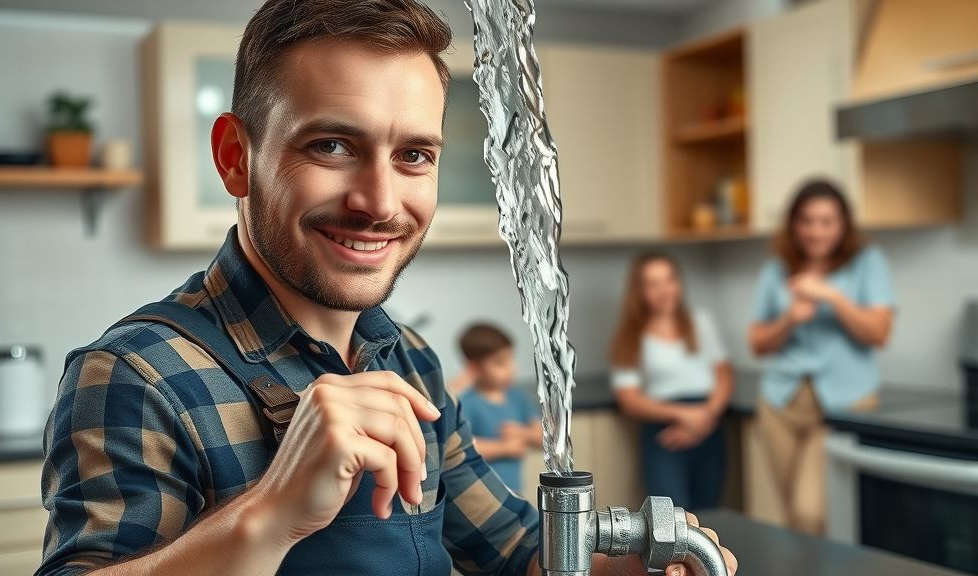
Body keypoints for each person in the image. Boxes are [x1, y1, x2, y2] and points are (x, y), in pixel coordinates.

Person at [36, 1, 737, 575]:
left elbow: (515, 552)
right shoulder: (137, 376)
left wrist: (627, 567)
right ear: (234, 157)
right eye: (332, 146)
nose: (378, 201)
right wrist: (270, 515)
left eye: (413, 155)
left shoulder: (409, 359)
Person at [748, 179, 895, 535]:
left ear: (843, 224)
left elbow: (879, 333)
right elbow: (757, 342)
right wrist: (788, 319)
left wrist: (831, 296)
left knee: (809, 514)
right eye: (807, 220)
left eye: (827, 221)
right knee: (791, 518)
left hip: (843, 406)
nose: (816, 231)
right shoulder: (777, 269)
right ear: (793, 223)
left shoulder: (868, 263)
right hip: (780, 404)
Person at [610, 253, 733, 511]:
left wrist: (702, 420)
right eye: (653, 284)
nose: (664, 290)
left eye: (669, 280)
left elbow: (724, 376)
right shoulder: (630, 336)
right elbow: (628, 399)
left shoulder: (701, 322)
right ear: (639, 291)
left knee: (708, 516)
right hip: (664, 434)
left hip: (708, 428)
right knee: (671, 518)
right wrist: (684, 415)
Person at [456, 324, 542, 493]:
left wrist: (525, 434)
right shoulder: (467, 403)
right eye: (500, 363)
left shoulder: (517, 398)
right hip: (482, 495)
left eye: (511, 359)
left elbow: (544, 439)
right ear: (474, 368)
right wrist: (504, 448)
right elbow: (462, 448)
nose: (511, 368)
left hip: (515, 493)